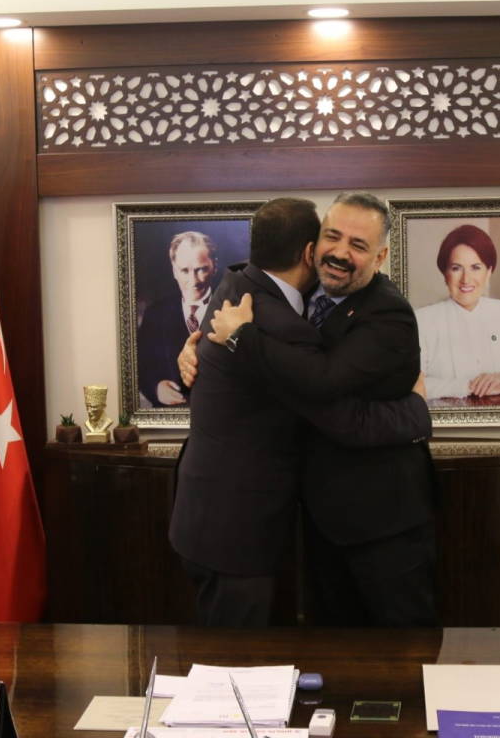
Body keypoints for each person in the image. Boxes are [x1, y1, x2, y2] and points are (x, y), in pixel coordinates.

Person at [170, 197, 431, 627]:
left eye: (358, 244)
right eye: (333, 236)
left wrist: (418, 416)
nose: (340, 252)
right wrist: (193, 356)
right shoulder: (274, 298)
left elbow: (328, 397)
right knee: (308, 652)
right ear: (312, 249)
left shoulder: (386, 312)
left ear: (381, 255)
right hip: (286, 524)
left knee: (403, 647)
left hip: (380, 521)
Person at [414, 224, 500, 401]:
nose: (466, 279)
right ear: (445, 274)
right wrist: (470, 386)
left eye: (475, 267)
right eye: (456, 268)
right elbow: (413, 385)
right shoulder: (423, 319)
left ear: (489, 272)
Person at [136, 231, 217, 407]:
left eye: (201, 269)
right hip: (173, 416)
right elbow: (140, 367)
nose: (193, 280)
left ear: (214, 267)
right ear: (174, 271)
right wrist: (156, 388)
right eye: (184, 271)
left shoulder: (234, 308)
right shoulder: (155, 314)